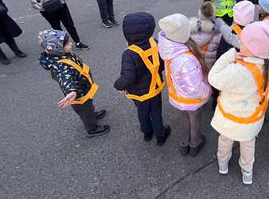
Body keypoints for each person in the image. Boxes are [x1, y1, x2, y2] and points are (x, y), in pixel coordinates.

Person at [209, 21, 269, 185]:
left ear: (253, 48)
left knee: (225, 141)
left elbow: (212, 78)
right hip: (252, 119)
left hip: (230, 120)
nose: (239, 42)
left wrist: (229, 55)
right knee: (248, 145)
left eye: (243, 41)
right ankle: (247, 172)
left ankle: (223, 164)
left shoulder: (238, 70)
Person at [38, 29, 110, 137]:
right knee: (85, 112)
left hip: (82, 88)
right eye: (67, 44)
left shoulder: (62, 54)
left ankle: (92, 114)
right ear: (57, 49)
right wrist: (71, 91)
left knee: (88, 106)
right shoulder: (60, 66)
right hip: (77, 94)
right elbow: (65, 78)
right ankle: (92, 129)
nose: (71, 44)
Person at [158, 14, 211, 157]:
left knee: (184, 118)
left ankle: (184, 143)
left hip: (178, 95)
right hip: (191, 99)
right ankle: (195, 144)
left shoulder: (169, 49)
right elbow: (195, 89)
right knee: (195, 120)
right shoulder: (186, 59)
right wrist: (207, 91)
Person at [114, 12, 171, 145]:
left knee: (142, 112)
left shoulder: (129, 54)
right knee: (156, 111)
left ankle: (147, 132)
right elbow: (162, 64)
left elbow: (127, 77)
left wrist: (118, 85)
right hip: (155, 88)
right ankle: (160, 135)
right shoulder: (155, 43)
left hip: (138, 92)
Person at [189, 2, 221, 69]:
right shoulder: (217, 32)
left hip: (193, 63)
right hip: (209, 66)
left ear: (199, 13)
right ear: (213, 14)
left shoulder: (189, 28)